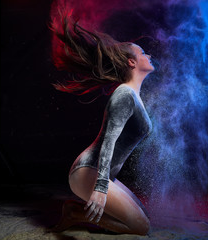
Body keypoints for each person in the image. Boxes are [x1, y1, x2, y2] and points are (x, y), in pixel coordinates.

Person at [49, 11, 155, 235]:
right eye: (143, 53)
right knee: (141, 227)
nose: (149, 55)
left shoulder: (134, 96)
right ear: (131, 62)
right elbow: (109, 140)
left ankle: (75, 208)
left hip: (103, 173)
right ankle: (75, 213)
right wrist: (100, 187)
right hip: (88, 172)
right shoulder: (124, 94)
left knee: (144, 217)